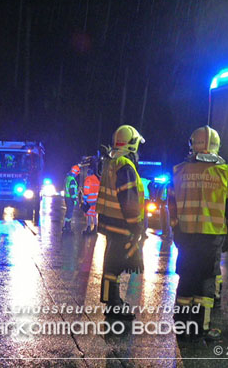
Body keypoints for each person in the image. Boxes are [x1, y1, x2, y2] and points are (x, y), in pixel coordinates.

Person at [169, 126, 228, 341]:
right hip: (212, 236)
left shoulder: (179, 170)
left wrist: (175, 228)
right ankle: (202, 328)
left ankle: (182, 328)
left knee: (187, 278)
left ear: (192, 144)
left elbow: (171, 203)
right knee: (206, 281)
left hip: (186, 235)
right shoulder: (224, 171)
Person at [96, 125, 146, 319]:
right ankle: (114, 305)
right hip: (122, 223)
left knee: (110, 264)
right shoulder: (125, 165)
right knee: (115, 265)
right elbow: (129, 198)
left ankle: (111, 301)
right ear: (132, 144)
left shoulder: (111, 162)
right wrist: (136, 225)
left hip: (109, 222)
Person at [82, 168, 100, 234]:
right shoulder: (97, 180)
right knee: (94, 214)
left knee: (89, 214)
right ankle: (95, 228)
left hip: (89, 200)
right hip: (95, 200)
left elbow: (86, 190)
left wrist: (84, 199)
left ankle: (88, 228)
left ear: (88, 173)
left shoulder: (88, 179)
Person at [63, 165, 80, 232]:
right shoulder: (72, 180)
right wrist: (74, 199)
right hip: (70, 198)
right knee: (69, 213)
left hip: (67, 197)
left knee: (68, 212)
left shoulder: (67, 178)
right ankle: (67, 227)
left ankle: (66, 226)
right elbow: (72, 190)